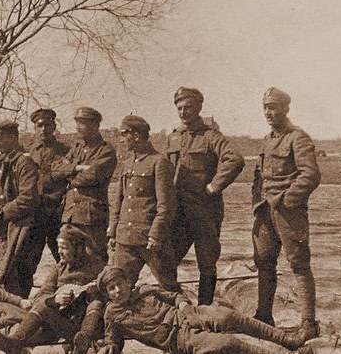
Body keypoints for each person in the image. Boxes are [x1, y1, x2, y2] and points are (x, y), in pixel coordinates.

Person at [98, 266, 311, 354]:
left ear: (128, 282)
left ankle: (289, 341)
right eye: (111, 289)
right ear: (107, 293)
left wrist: (182, 304)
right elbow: (113, 340)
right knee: (228, 343)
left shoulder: (144, 290)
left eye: (120, 284)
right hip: (179, 338)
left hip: (189, 314)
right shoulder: (112, 314)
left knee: (228, 315)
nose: (117, 291)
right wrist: (109, 347)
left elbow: (174, 296)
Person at [161, 87, 244, 304]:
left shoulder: (211, 137)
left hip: (204, 211)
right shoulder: (173, 138)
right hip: (178, 211)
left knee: (206, 263)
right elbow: (163, 170)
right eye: (179, 108)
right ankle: (176, 307)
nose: (183, 112)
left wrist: (214, 186)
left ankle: (205, 311)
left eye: (188, 107)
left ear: (198, 108)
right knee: (167, 260)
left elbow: (234, 159)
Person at [251, 87, 321, 340]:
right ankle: (263, 316)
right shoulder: (267, 140)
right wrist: (256, 205)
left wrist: (287, 201)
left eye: (274, 107)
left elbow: (311, 175)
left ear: (286, 108)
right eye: (265, 107)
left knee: (299, 265)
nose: (269, 112)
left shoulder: (298, 137)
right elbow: (258, 177)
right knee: (264, 263)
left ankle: (308, 324)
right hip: (264, 214)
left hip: (289, 213)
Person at [0, 226, 108, 354]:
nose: (59, 252)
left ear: (77, 248)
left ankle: (84, 341)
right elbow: (41, 296)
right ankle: (16, 341)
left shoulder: (97, 266)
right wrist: (54, 300)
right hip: (65, 324)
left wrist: (97, 290)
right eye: (58, 247)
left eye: (64, 247)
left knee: (96, 302)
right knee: (43, 306)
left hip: (92, 326)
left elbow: (112, 286)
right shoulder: (59, 269)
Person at [107, 115, 177, 289]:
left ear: (136, 135)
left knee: (169, 287)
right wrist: (113, 232)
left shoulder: (159, 163)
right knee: (119, 288)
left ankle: (186, 316)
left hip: (150, 240)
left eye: (124, 134)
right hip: (125, 239)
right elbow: (119, 201)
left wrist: (155, 235)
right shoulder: (127, 163)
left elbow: (166, 206)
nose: (121, 140)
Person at [51, 107, 118, 280]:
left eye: (83, 123)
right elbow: (55, 170)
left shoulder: (106, 150)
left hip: (91, 216)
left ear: (95, 125)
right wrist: (77, 168)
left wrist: (69, 177)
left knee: (94, 259)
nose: (78, 127)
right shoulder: (77, 148)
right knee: (67, 258)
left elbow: (92, 176)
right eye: (77, 123)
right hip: (70, 214)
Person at [0, 120, 41, 297]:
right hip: (1, 227)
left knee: (14, 271)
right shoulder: (5, 161)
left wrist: (3, 213)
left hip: (16, 226)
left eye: (0, 139)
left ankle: (17, 314)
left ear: (12, 137)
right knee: (0, 270)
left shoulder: (24, 162)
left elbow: (28, 197)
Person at [28, 108, 71, 263]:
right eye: (39, 126)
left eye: (47, 125)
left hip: (57, 211)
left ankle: (66, 287)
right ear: (34, 128)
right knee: (29, 257)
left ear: (54, 127)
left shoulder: (65, 151)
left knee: (63, 254)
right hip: (35, 212)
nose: (44, 129)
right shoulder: (28, 152)